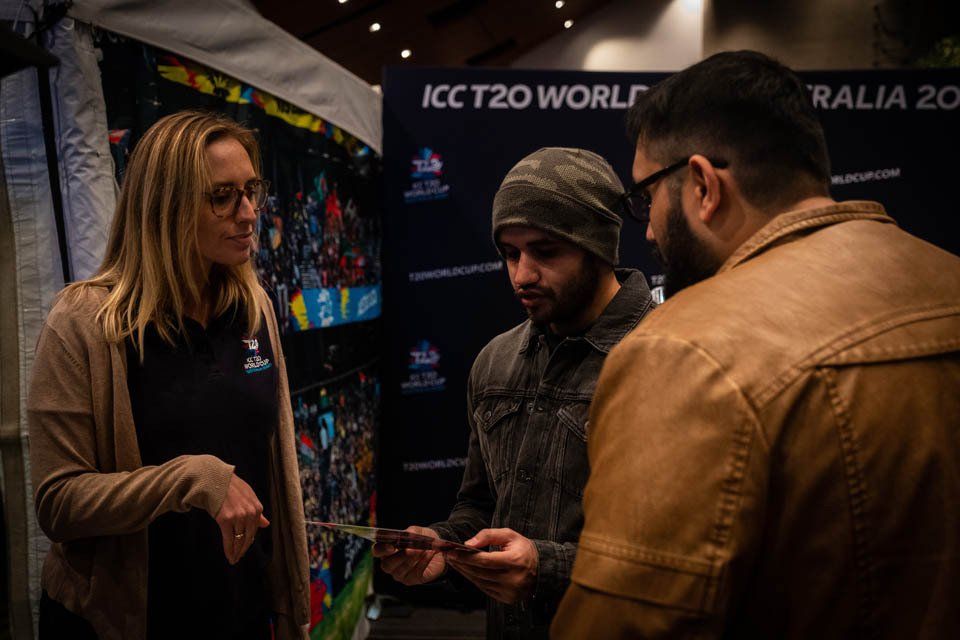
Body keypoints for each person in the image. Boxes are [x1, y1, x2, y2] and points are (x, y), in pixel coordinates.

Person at [552, 50, 960, 638]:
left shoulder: (683, 351)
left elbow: (626, 624)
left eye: (646, 198)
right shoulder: (948, 280)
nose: (645, 229)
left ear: (702, 186)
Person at [27, 110, 310, 640]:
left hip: (240, 608)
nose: (248, 213)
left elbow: (273, 466)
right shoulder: (84, 323)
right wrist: (191, 479)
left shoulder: (254, 308)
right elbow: (58, 502)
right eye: (222, 196)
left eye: (252, 190)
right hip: (132, 617)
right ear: (165, 207)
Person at [374, 147, 655, 638]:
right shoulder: (496, 362)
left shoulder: (667, 358)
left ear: (598, 247)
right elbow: (480, 505)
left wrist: (545, 567)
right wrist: (441, 546)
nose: (522, 275)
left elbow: (681, 556)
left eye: (545, 252)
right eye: (510, 253)